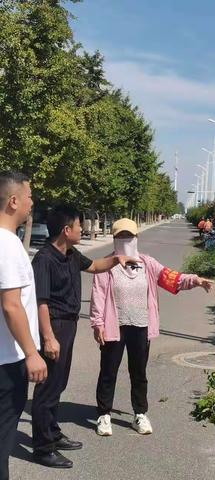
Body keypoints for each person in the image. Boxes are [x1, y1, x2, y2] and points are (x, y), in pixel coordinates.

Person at [31, 206, 139, 469]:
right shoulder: (45, 259)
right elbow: (41, 302)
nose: (83, 229)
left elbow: (95, 266)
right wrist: (48, 337)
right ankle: (43, 448)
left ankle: (53, 433)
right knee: (48, 387)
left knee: (59, 383)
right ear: (67, 230)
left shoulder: (70, 254)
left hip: (68, 324)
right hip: (54, 325)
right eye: (79, 225)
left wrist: (117, 259)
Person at [90, 218, 213, 436]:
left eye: (129, 236)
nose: (125, 240)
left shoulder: (147, 263)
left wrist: (196, 280)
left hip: (141, 325)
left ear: (137, 238)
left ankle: (140, 414)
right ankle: (104, 415)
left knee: (138, 372)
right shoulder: (106, 265)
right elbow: (98, 296)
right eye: (120, 236)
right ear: (114, 239)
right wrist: (98, 323)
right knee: (108, 371)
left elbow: (172, 278)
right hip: (113, 327)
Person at [0, 171, 48, 480]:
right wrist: (32, 352)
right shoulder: (8, 245)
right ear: (14, 200)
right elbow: (11, 304)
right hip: (7, 363)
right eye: (29, 196)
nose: (32, 202)